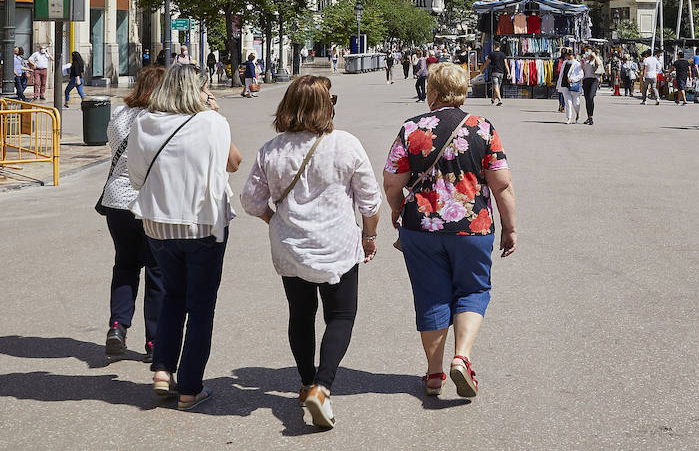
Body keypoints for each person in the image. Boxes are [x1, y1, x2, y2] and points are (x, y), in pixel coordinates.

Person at [240, 76, 382, 429]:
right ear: (326, 106)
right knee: (341, 316)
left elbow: (250, 200)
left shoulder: (272, 149)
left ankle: (306, 382)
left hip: (290, 248)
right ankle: (323, 386)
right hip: (337, 245)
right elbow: (370, 201)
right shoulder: (346, 145)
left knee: (300, 315)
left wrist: (275, 220)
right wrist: (370, 235)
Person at [383, 63, 516, 398]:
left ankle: (433, 374)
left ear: (432, 92)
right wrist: (510, 228)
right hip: (473, 226)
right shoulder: (482, 128)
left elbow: (392, 182)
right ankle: (462, 357)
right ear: (463, 91)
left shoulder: (412, 129)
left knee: (431, 295)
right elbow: (502, 186)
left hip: (421, 228)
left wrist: (398, 210)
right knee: (472, 290)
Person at [127, 64, 242, 410]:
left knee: (172, 295)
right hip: (202, 224)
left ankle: (163, 369)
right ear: (198, 90)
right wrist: (216, 114)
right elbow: (233, 163)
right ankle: (190, 387)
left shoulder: (143, 123)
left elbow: (134, 177)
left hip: (158, 224)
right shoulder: (211, 122)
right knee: (201, 305)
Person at [98, 66, 167, 361]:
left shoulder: (119, 115)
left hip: (116, 198)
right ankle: (155, 340)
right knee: (157, 271)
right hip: (150, 200)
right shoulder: (160, 120)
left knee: (125, 265)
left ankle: (117, 326)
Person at [558, 48, 584, 125]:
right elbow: (561, 74)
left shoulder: (577, 64)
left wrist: (572, 79)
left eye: (570, 56)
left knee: (576, 102)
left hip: (573, 85)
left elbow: (581, 75)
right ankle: (569, 118)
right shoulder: (564, 63)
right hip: (564, 85)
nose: (568, 57)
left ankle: (577, 114)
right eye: (567, 56)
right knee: (568, 102)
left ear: (573, 56)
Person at [580, 49, 601, 125]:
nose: (587, 54)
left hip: (594, 80)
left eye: (588, 52)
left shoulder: (595, 60)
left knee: (591, 96)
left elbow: (599, 64)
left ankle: (591, 116)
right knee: (587, 98)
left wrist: (594, 56)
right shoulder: (584, 60)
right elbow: (581, 70)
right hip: (586, 80)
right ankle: (589, 117)